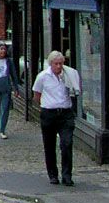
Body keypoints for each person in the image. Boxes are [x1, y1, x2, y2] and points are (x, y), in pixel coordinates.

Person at [33, 51, 79, 186]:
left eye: (61, 63)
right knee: (49, 145)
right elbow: (36, 94)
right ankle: (53, 174)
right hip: (49, 114)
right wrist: (43, 107)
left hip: (65, 113)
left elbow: (75, 90)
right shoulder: (42, 77)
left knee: (66, 143)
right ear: (51, 64)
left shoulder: (69, 75)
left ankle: (67, 175)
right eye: (56, 64)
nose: (59, 66)